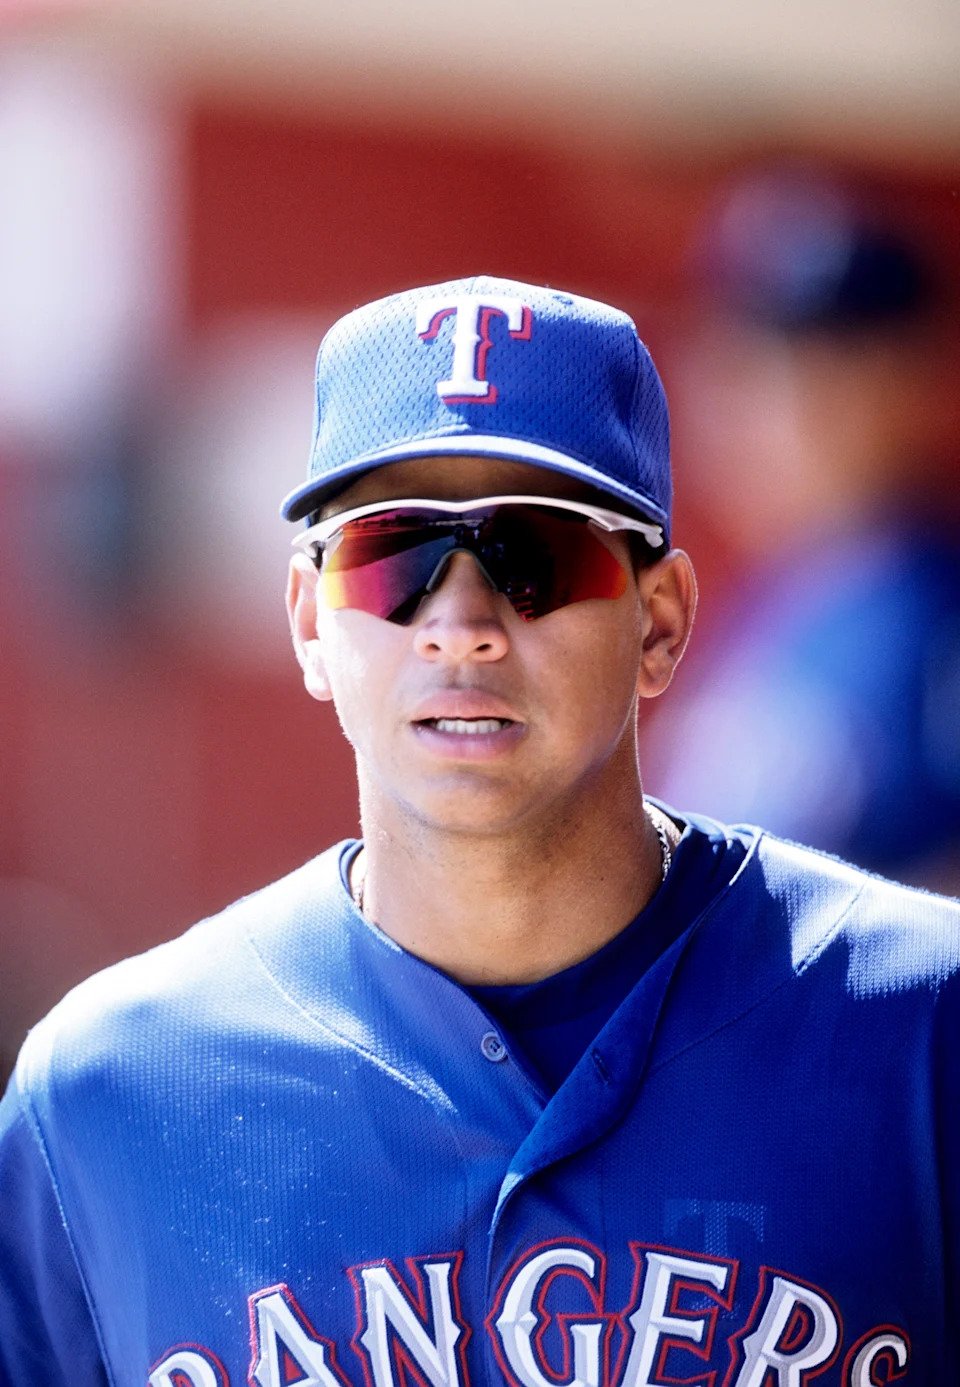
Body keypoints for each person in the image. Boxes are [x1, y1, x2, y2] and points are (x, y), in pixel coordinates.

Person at [1, 275, 958, 1386]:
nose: (460, 626)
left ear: (659, 621)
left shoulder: (925, 1026)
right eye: (393, 555)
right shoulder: (109, 1092)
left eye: (532, 553)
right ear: (311, 622)